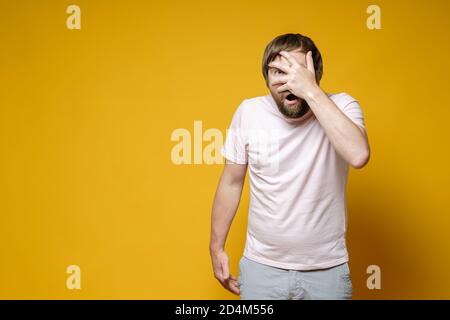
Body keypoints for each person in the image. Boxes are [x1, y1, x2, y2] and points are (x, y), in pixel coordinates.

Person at [209, 33, 370, 300]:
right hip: (261, 270)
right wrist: (216, 248)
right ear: (266, 78)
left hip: (326, 272)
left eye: (296, 72)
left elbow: (358, 155)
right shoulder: (249, 113)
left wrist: (310, 90)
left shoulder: (342, 106)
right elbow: (231, 182)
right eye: (277, 72)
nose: (288, 82)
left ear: (315, 74)